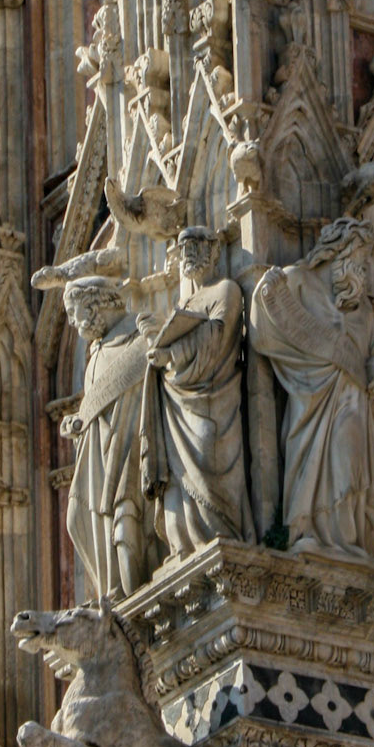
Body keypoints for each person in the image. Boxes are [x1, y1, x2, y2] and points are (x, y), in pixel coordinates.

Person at [249, 215, 374, 563]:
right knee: (316, 459)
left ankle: (346, 539)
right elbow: (263, 333)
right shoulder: (296, 281)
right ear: (335, 253)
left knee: (350, 459)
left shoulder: (362, 308)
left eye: (364, 261)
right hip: (309, 398)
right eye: (357, 258)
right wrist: (264, 293)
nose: (361, 268)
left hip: (352, 400)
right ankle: (309, 531)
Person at [139, 227, 252, 558]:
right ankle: (182, 546)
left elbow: (219, 335)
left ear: (214, 251)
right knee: (177, 480)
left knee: (206, 453)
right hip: (177, 403)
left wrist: (171, 354)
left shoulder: (225, 290)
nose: (187, 251)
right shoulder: (186, 301)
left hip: (215, 399)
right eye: (183, 246)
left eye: (196, 245)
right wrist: (155, 342)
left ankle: (221, 535)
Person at [62, 276, 157, 596]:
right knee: (76, 517)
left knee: (125, 525)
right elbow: (94, 409)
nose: (75, 324)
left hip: (130, 448)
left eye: (76, 314)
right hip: (97, 456)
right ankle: (109, 589)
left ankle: (130, 599)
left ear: (97, 305)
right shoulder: (93, 358)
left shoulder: (139, 330)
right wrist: (77, 424)